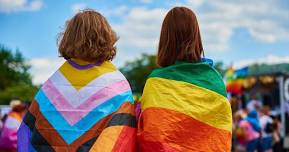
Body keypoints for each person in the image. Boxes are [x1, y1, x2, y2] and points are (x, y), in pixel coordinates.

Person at [17, 9, 136, 151]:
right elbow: (122, 138)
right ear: (107, 37)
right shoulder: (117, 85)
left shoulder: (51, 85)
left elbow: (26, 133)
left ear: (69, 37)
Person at [137, 7, 232, 151]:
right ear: (196, 37)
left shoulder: (157, 82)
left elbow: (152, 136)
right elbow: (220, 138)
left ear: (165, 40)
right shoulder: (215, 81)